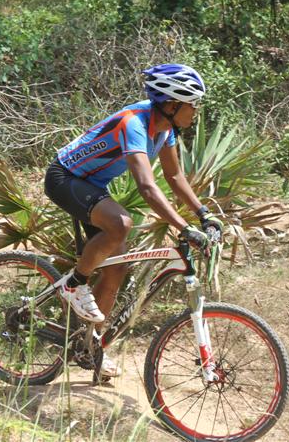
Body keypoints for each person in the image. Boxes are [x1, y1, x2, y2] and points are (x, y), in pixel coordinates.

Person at [44, 63, 223, 377]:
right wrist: (184, 228)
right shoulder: (134, 124)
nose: (196, 111)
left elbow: (174, 176)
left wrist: (203, 214)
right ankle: (74, 285)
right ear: (172, 105)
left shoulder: (164, 129)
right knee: (121, 224)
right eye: (192, 104)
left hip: (92, 186)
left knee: (117, 267)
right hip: (64, 178)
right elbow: (147, 187)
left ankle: (90, 346)